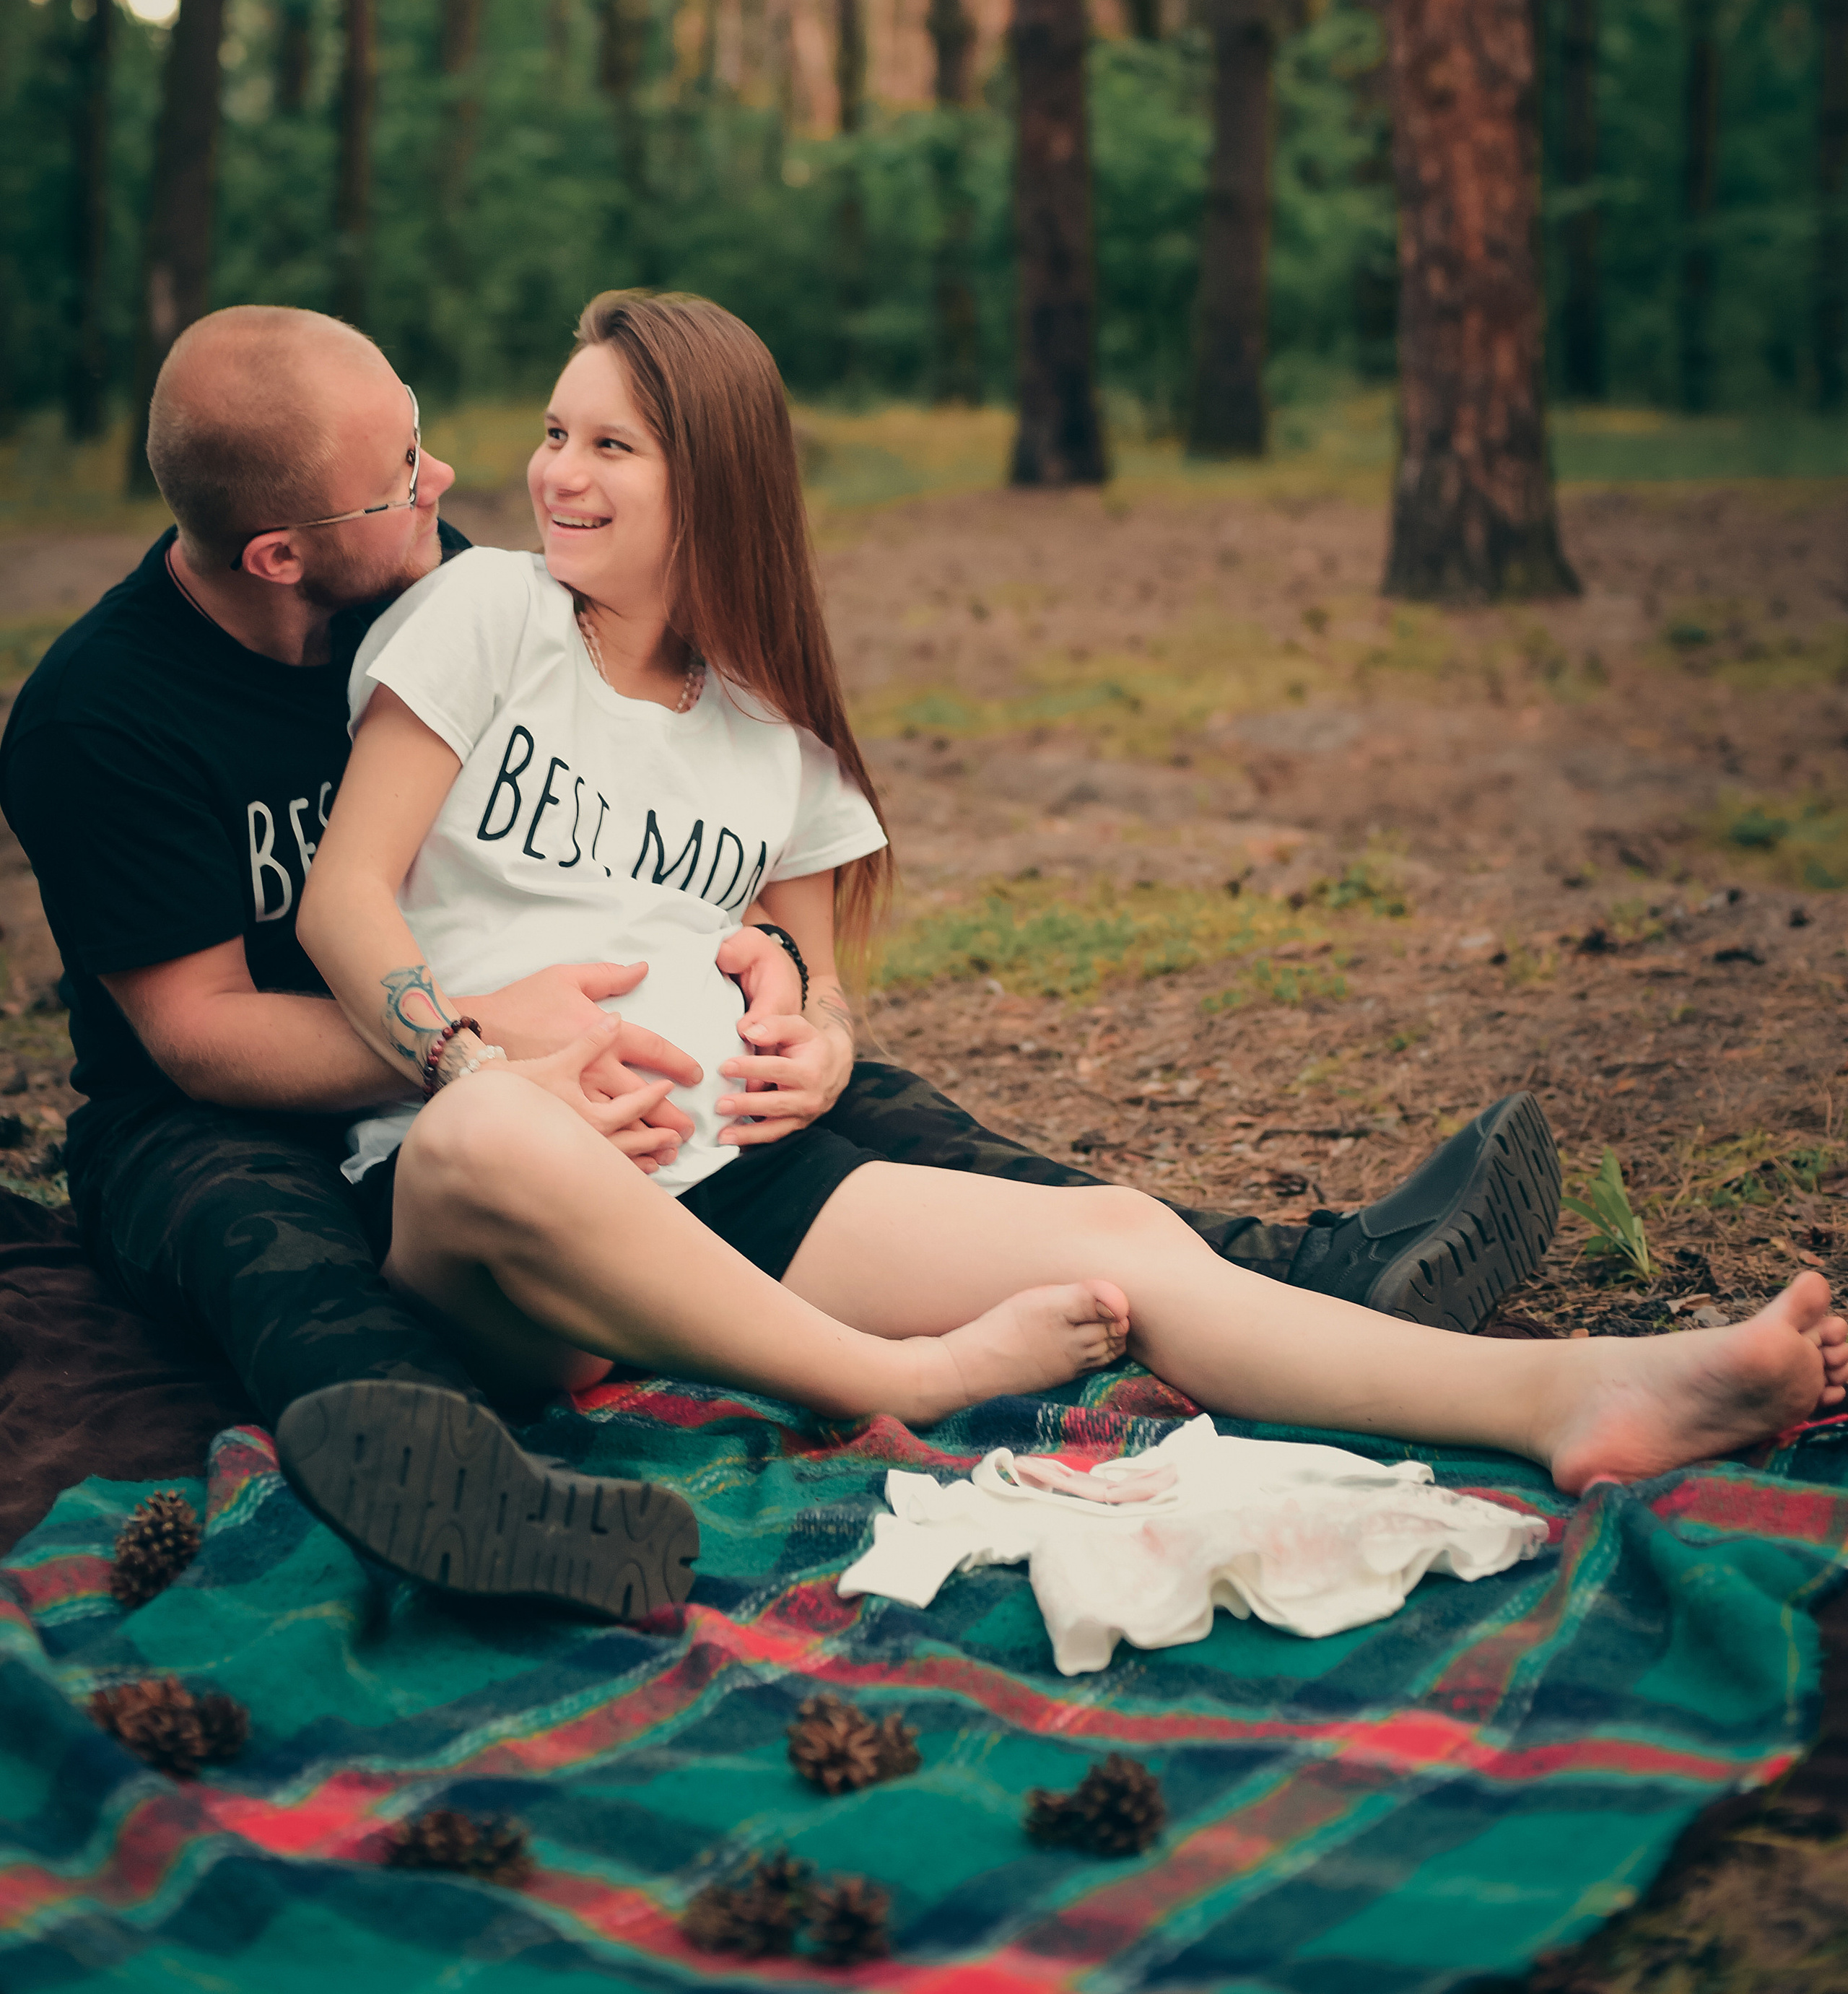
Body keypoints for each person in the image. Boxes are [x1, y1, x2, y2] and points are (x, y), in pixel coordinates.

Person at [0, 302, 1560, 1621]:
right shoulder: (106, 719)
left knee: (864, 1102)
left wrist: (798, 1010)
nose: (459, 481)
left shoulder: (443, 581)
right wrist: (489, 1045)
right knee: (277, 1256)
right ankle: (454, 1478)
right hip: (232, 1113)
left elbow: (667, 862)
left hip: (575, 1083)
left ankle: (1299, 1272)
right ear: (281, 553)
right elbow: (201, 1042)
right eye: (405, 472)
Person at [291, 292, 1846, 1518]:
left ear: (717, 479)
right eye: (555, 434)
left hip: (722, 1197)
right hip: (483, 1215)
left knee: (1114, 1238)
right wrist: (477, 1061)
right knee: (492, 1140)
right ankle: (892, 1377)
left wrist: (817, 1045)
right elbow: (345, 902)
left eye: (610, 446)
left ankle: (1575, 1393)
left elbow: (817, 992)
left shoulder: (770, 735)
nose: (556, 473)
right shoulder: (489, 615)